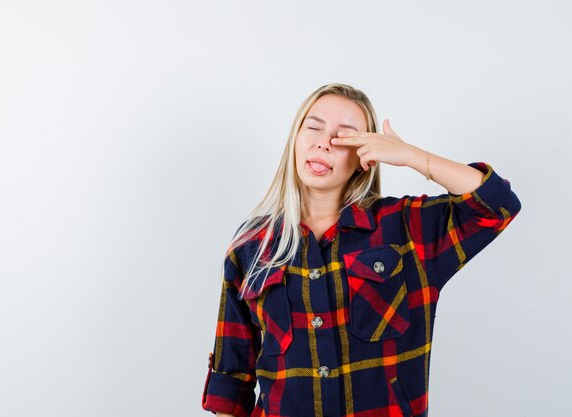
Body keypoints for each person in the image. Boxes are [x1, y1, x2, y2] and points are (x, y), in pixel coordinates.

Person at [200, 83, 522, 417]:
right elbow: (232, 378)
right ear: (295, 139)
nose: (324, 142)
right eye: (314, 127)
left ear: (363, 157)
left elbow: (496, 205)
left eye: (345, 137)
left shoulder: (405, 228)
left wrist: (411, 155)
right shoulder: (253, 244)